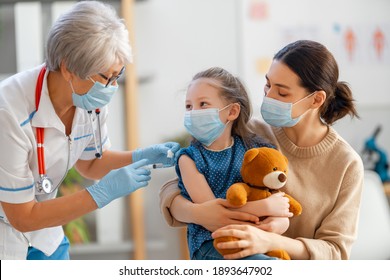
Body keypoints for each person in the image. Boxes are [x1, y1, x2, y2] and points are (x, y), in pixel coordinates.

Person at [0, 1, 180, 260]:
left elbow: (92, 163)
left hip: (47, 236)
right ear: (68, 69)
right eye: (105, 77)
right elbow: (22, 216)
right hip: (8, 235)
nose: (111, 87)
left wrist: (141, 156)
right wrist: (100, 194)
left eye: (117, 76)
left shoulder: (89, 101)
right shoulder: (9, 112)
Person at [159, 40, 364, 260]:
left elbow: (336, 252)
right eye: (268, 85)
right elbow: (178, 184)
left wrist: (271, 240)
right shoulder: (253, 132)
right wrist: (200, 213)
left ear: (316, 99)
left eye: (282, 93)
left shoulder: (346, 165)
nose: (269, 96)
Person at [175, 67, 292, 260]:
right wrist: (266, 207)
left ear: (232, 111)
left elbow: (276, 202)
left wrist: (280, 222)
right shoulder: (188, 159)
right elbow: (214, 214)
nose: (194, 112)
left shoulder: (253, 149)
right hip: (213, 243)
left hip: (255, 239)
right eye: (189, 106)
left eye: (203, 104)